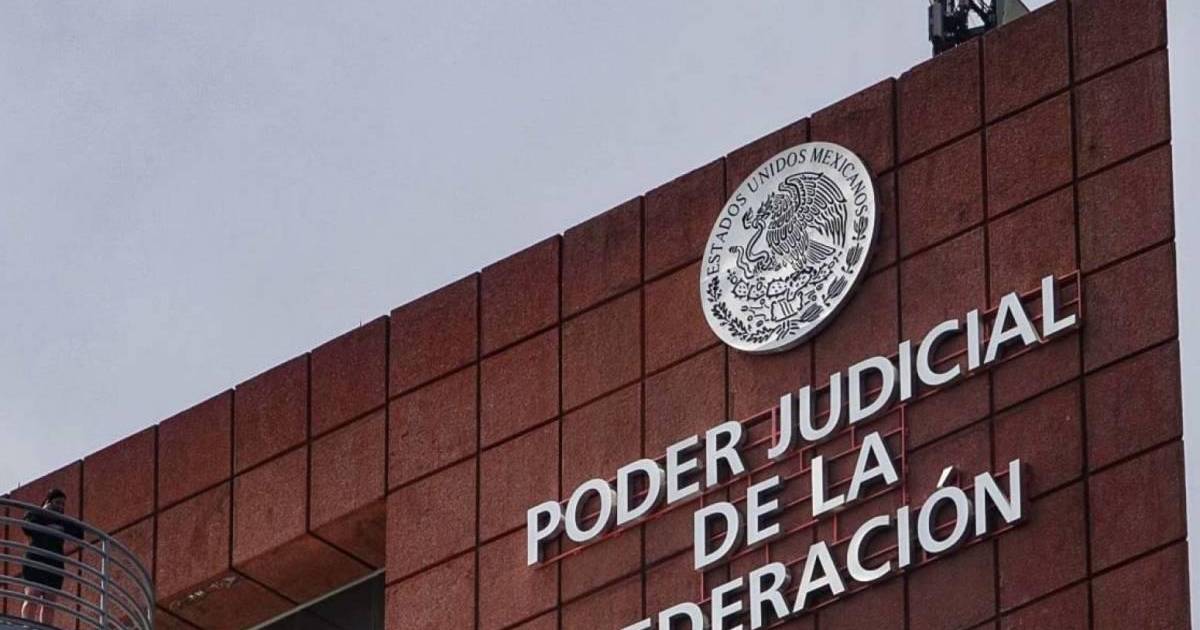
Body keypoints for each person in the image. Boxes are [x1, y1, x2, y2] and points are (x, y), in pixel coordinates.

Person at [20, 488, 83, 625]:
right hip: (35, 561)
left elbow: (79, 533)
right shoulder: (36, 514)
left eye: (63, 504)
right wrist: (44, 512)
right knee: (32, 595)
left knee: (50, 601)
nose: (60, 507)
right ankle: (27, 625)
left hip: (54, 564)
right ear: (48, 502)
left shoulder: (62, 521)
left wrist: (60, 523)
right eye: (57, 503)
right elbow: (26, 525)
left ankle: (46, 627)